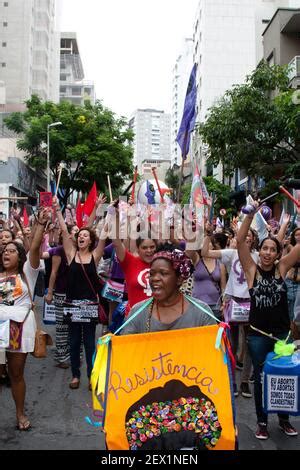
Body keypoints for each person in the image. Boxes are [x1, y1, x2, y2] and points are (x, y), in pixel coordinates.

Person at [237, 207, 300, 440]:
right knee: (263, 378)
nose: (267, 252)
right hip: (257, 335)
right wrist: (250, 215)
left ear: (278, 254)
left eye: (273, 249)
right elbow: (240, 240)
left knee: (284, 377)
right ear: (259, 250)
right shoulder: (251, 270)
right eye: (264, 248)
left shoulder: (282, 269)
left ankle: (284, 420)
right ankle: (262, 422)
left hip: (282, 335)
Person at [0, 207, 51, 430]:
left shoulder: (26, 272)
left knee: (16, 373)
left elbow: (35, 248)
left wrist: (39, 225)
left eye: (12, 250)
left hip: (17, 329)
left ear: (19, 256)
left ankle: (20, 414)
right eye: (4, 250)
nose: (6, 253)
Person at [54, 195, 106, 390]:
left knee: (90, 344)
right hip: (72, 306)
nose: (81, 236)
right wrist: (58, 210)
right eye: (79, 235)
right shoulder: (70, 254)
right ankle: (75, 375)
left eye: (85, 235)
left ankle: (92, 376)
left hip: (90, 306)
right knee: (74, 342)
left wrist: (99, 209)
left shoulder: (95, 254)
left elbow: (92, 228)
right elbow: (63, 228)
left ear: (91, 240)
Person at [121, 244, 216, 335]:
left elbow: (213, 350)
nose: (155, 278)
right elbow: (125, 349)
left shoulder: (201, 313)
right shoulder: (137, 313)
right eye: (152, 273)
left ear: (179, 279)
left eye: (163, 273)